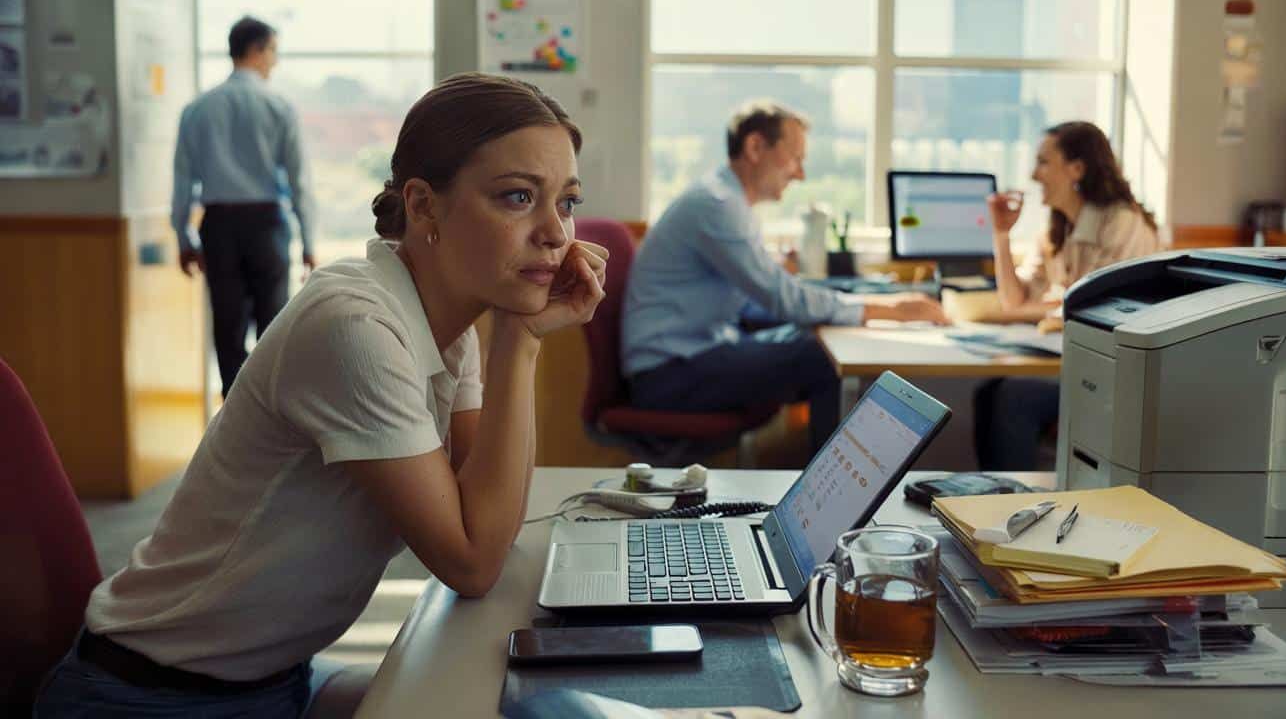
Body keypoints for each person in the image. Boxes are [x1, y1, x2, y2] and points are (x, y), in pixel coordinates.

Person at [34, 73, 607, 718]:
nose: (557, 234)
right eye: (517, 197)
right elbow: (473, 561)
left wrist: (513, 332)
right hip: (155, 698)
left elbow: (487, 515)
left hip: (274, 679)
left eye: (566, 202)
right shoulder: (354, 326)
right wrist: (522, 343)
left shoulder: (448, 327)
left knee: (531, 707)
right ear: (422, 208)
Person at [622, 101, 947, 454]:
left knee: (810, 337)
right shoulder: (716, 205)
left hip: (692, 356)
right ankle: (831, 498)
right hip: (670, 374)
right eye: (795, 157)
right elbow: (783, 299)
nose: (801, 174)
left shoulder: (725, 200)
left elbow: (757, 303)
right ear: (755, 147)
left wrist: (812, 306)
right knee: (821, 356)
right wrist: (890, 308)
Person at [976, 121, 1161, 470]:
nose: (1033, 174)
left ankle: (1017, 505)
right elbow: (1014, 303)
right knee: (988, 392)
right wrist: (1001, 234)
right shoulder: (1057, 227)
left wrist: (1050, 311)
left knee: (1014, 397)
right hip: (1075, 362)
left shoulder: (1121, 223)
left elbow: (1092, 310)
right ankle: (989, 499)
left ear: (1077, 168)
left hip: (1116, 379)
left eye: (1043, 162)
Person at [172, 16, 317, 397]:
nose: (274, 61)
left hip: (218, 225)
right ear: (255, 50)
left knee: (228, 324)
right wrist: (310, 242)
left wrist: (183, 238)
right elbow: (299, 181)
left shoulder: (197, 109)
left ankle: (232, 422)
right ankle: (271, 416)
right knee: (274, 326)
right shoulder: (278, 106)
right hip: (266, 223)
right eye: (272, 51)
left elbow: (183, 181)